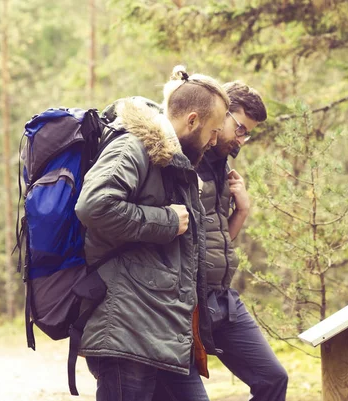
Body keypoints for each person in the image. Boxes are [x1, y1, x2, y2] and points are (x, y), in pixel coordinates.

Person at [74, 66, 229, 401]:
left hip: (165, 330)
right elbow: (94, 205)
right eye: (213, 131)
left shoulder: (177, 161)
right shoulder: (132, 148)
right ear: (191, 121)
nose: (215, 140)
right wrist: (167, 222)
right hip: (127, 329)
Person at [195, 81, 288, 401]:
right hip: (186, 304)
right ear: (220, 115)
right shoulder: (185, 159)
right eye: (240, 129)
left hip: (222, 299)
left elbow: (219, 239)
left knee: (273, 379)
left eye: (247, 133)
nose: (242, 140)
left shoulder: (223, 167)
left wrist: (242, 210)